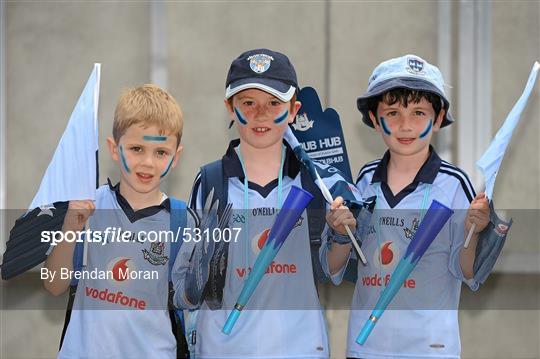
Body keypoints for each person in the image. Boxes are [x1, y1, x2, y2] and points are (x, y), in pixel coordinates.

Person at [173, 48, 356, 358]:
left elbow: (331, 269)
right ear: (230, 107)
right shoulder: (210, 181)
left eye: (274, 103)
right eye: (248, 103)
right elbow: (186, 287)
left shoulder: (318, 184)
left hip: (300, 348)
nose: (261, 114)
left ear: (294, 109)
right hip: (222, 349)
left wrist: (340, 235)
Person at [345, 54, 491, 358]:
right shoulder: (364, 180)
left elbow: (467, 271)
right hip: (365, 348)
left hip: (431, 348)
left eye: (419, 113)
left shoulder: (455, 184)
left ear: (438, 119)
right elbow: (345, 261)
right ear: (374, 118)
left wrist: (474, 231)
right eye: (393, 113)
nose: (406, 125)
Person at [43, 84, 196, 358]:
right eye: (137, 148)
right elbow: (54, 285)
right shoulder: (86, 207)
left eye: (160, 152)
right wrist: (69, 229)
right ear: (115, 149)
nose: (148, 162)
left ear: (176, 158)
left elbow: (190, 303)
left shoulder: (184, 222)